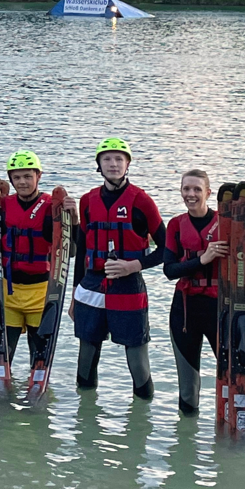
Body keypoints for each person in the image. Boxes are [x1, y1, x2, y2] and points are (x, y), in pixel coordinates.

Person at [163, 170, 245, 414]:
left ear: (208, 193)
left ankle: (234, 425)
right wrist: (203, 258)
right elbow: (169, 270)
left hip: (220, 309)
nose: (191, 194)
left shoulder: (227, 220)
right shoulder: (176, 225)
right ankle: (186, 440)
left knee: (233, 377)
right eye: (186, 189)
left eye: (197, 189)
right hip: (185, 312)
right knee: (188, 389)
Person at [70, 138, 165, 400]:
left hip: (128, 285)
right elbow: (83, 250)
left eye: (119, 159)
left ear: (127, 165)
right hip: (91, 285)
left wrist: (133, 265)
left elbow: (168, 248)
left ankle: (142, 418)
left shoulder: (142, 201)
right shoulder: (87, 201)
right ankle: (85, 425)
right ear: (99, 165)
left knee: (137, 360)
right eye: (107, 159)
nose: (113, 164)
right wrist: (75, 296)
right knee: (86, 358)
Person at [0, 151, 54, 367]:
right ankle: (1, 397)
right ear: (11, 179)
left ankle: (38, 392)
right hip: (9, 291)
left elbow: (72, 249)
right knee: (4, 356)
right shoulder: (3, 205)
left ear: (38, 176)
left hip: (40, 292)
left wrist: (72, 219)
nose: (22, 182)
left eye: (27, 176)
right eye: (17, 177)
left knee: (38, 356)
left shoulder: (50, 206)